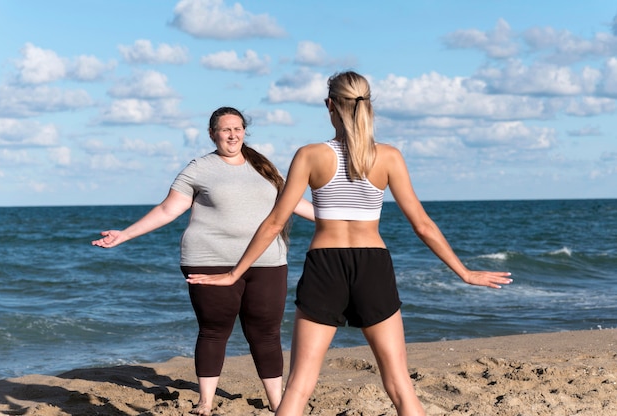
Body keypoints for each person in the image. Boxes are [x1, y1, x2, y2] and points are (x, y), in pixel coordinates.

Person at [186, 72, 513, 416]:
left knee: (297, 388)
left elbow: (274, 223)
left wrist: (234, 273)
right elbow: (423, 225)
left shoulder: (310, 155)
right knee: (400, 385)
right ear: (368, 106)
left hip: (324, 267)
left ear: (329, 105)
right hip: (373, 266)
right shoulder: (388, 157)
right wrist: (464, 272)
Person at [92, 106, 315, 415]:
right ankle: (205, 402)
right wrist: (125, 234)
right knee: (214, 330)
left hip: (266, 262)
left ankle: (278, 403)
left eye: (238, 128)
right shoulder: (199, 168)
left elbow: (292, 203)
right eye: (226, 130)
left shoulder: (263, 167)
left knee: (266, 333)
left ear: (244, 132)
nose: (233, 134)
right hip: (210, 260)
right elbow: (169, 209)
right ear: (213, 134)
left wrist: (340, 222)